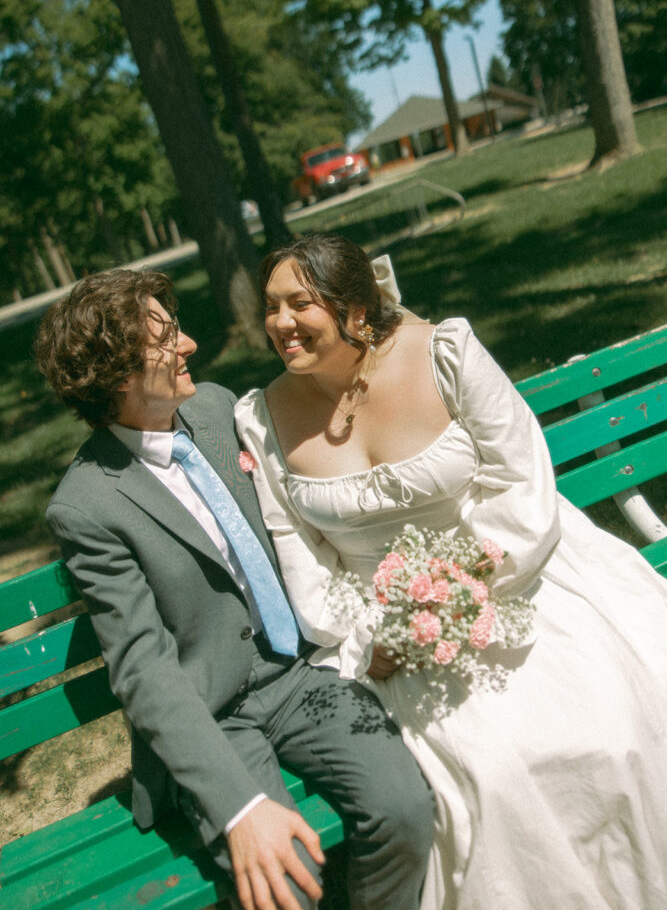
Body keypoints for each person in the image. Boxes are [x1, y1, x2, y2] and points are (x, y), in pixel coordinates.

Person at [235, 234, 667, 910]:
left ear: (353, 310)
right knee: (491, 781)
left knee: (607, 739)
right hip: (383, 636)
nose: (281, 324)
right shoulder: (261, 420)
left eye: (300, 304)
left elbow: (522, 480)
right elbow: (304, 563)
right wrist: (379, 636)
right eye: (271, 308)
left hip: (513, 576)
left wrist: (464, 585)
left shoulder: (443, 351)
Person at [34, 267, 435, 910]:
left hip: (303, 677)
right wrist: (239, 807)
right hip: (214, 716)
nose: (188, 343)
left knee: (407, 811)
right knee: (286, 882)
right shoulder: (87, 506)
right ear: (118, 374)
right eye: (165, 338)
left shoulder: (218, 408)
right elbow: (142, 668)